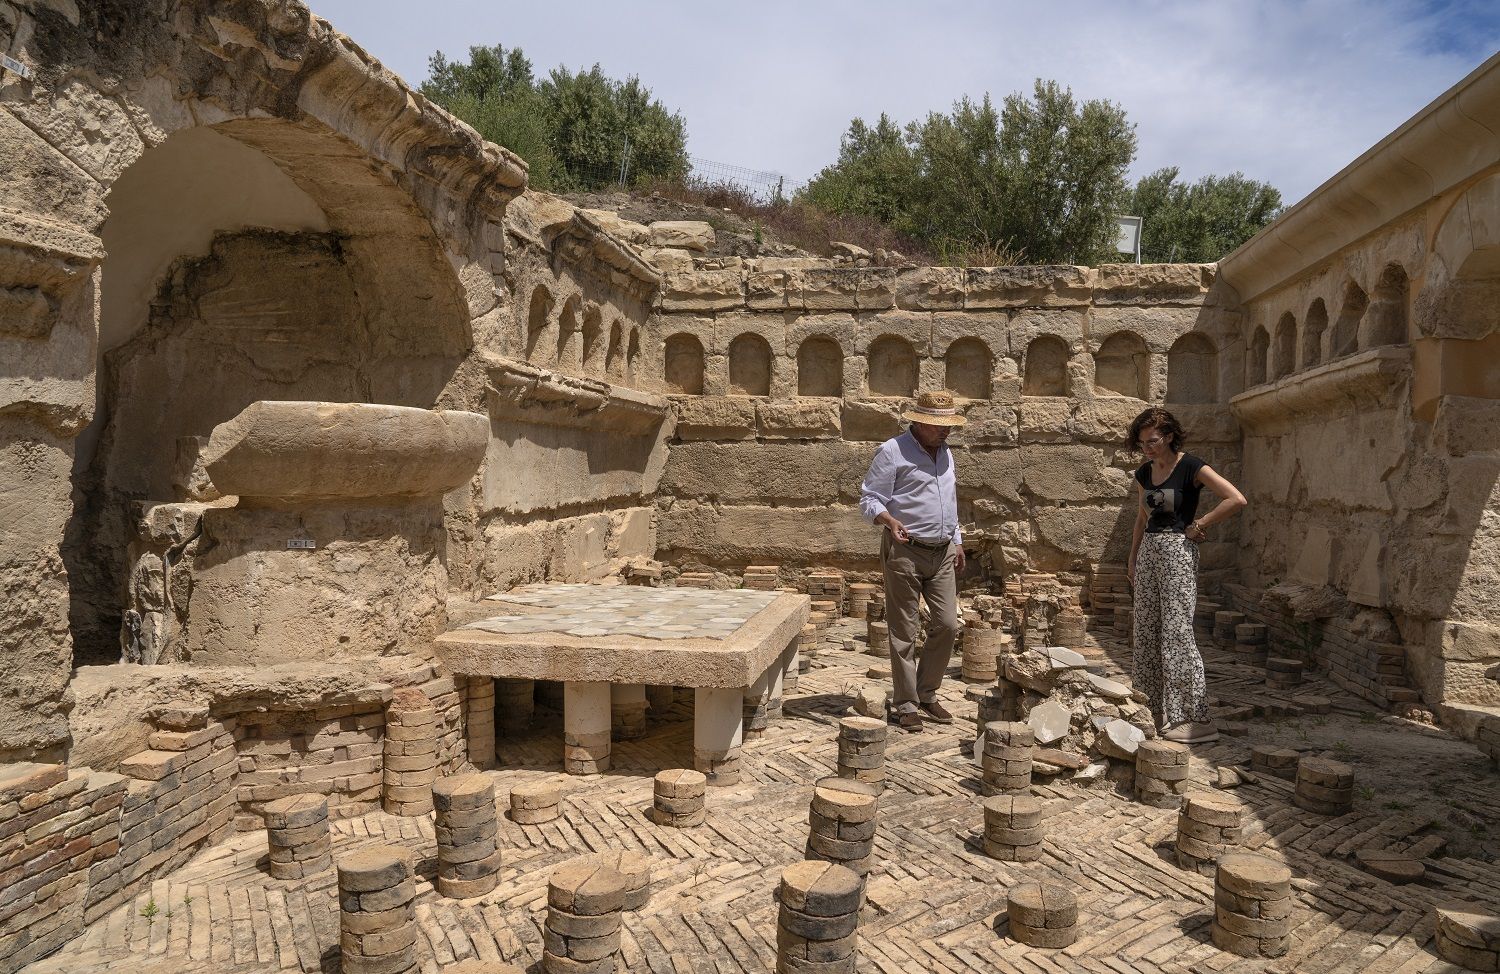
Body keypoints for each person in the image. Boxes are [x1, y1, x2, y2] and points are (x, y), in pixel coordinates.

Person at [1126, 407, 1247, 744]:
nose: (1147, 448)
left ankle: (1194, 718)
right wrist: (1132, 558)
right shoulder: (1144, 473)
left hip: (1178, 553)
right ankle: (1151, 708)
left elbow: (1236, 499)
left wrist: (1200, 525)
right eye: (1141, 443)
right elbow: (1141, 517)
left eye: (1152, 441)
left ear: (1167, 437)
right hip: (1149, 552)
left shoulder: (1191, 466)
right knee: (1147, 630)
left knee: (1177, 632)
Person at [859, 389, 967, 733]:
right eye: (939, 425)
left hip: (944, 550)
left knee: (948, 624)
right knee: (903, 630)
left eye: (949, 424)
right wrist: (889, 521)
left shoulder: (947, 453)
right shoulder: (892, 452)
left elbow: (949, 500)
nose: (945, 430)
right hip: (905, 551)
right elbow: (869, 499)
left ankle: (927, 691)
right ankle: (906, 703)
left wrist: (958, 539)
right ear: (919, 422)